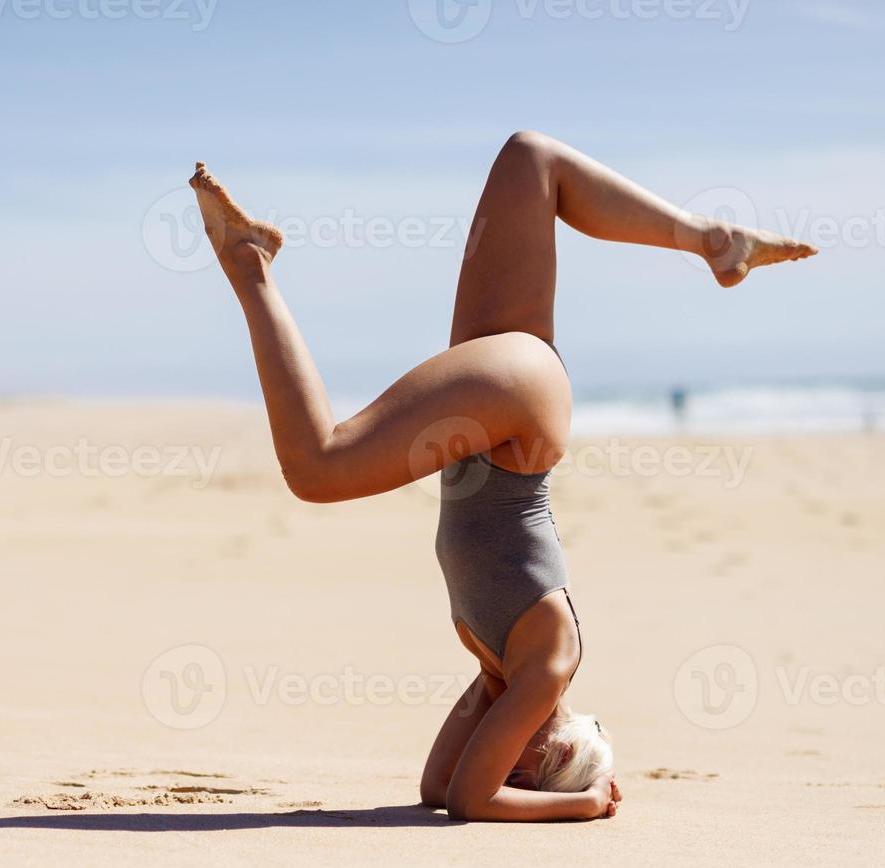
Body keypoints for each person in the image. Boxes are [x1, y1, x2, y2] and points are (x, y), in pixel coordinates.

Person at [188, 132, 817, 822]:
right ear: (536, 754)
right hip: (512, 414)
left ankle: (709, 240)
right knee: (317, 467)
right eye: (513, 750)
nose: (495, 744)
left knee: (529, 161)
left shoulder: (501, 672)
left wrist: (529, 763)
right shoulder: (547, 664)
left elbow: (437, 786)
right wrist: (581, 805)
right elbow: (470, 799)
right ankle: (250, 265)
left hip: (504, 405)